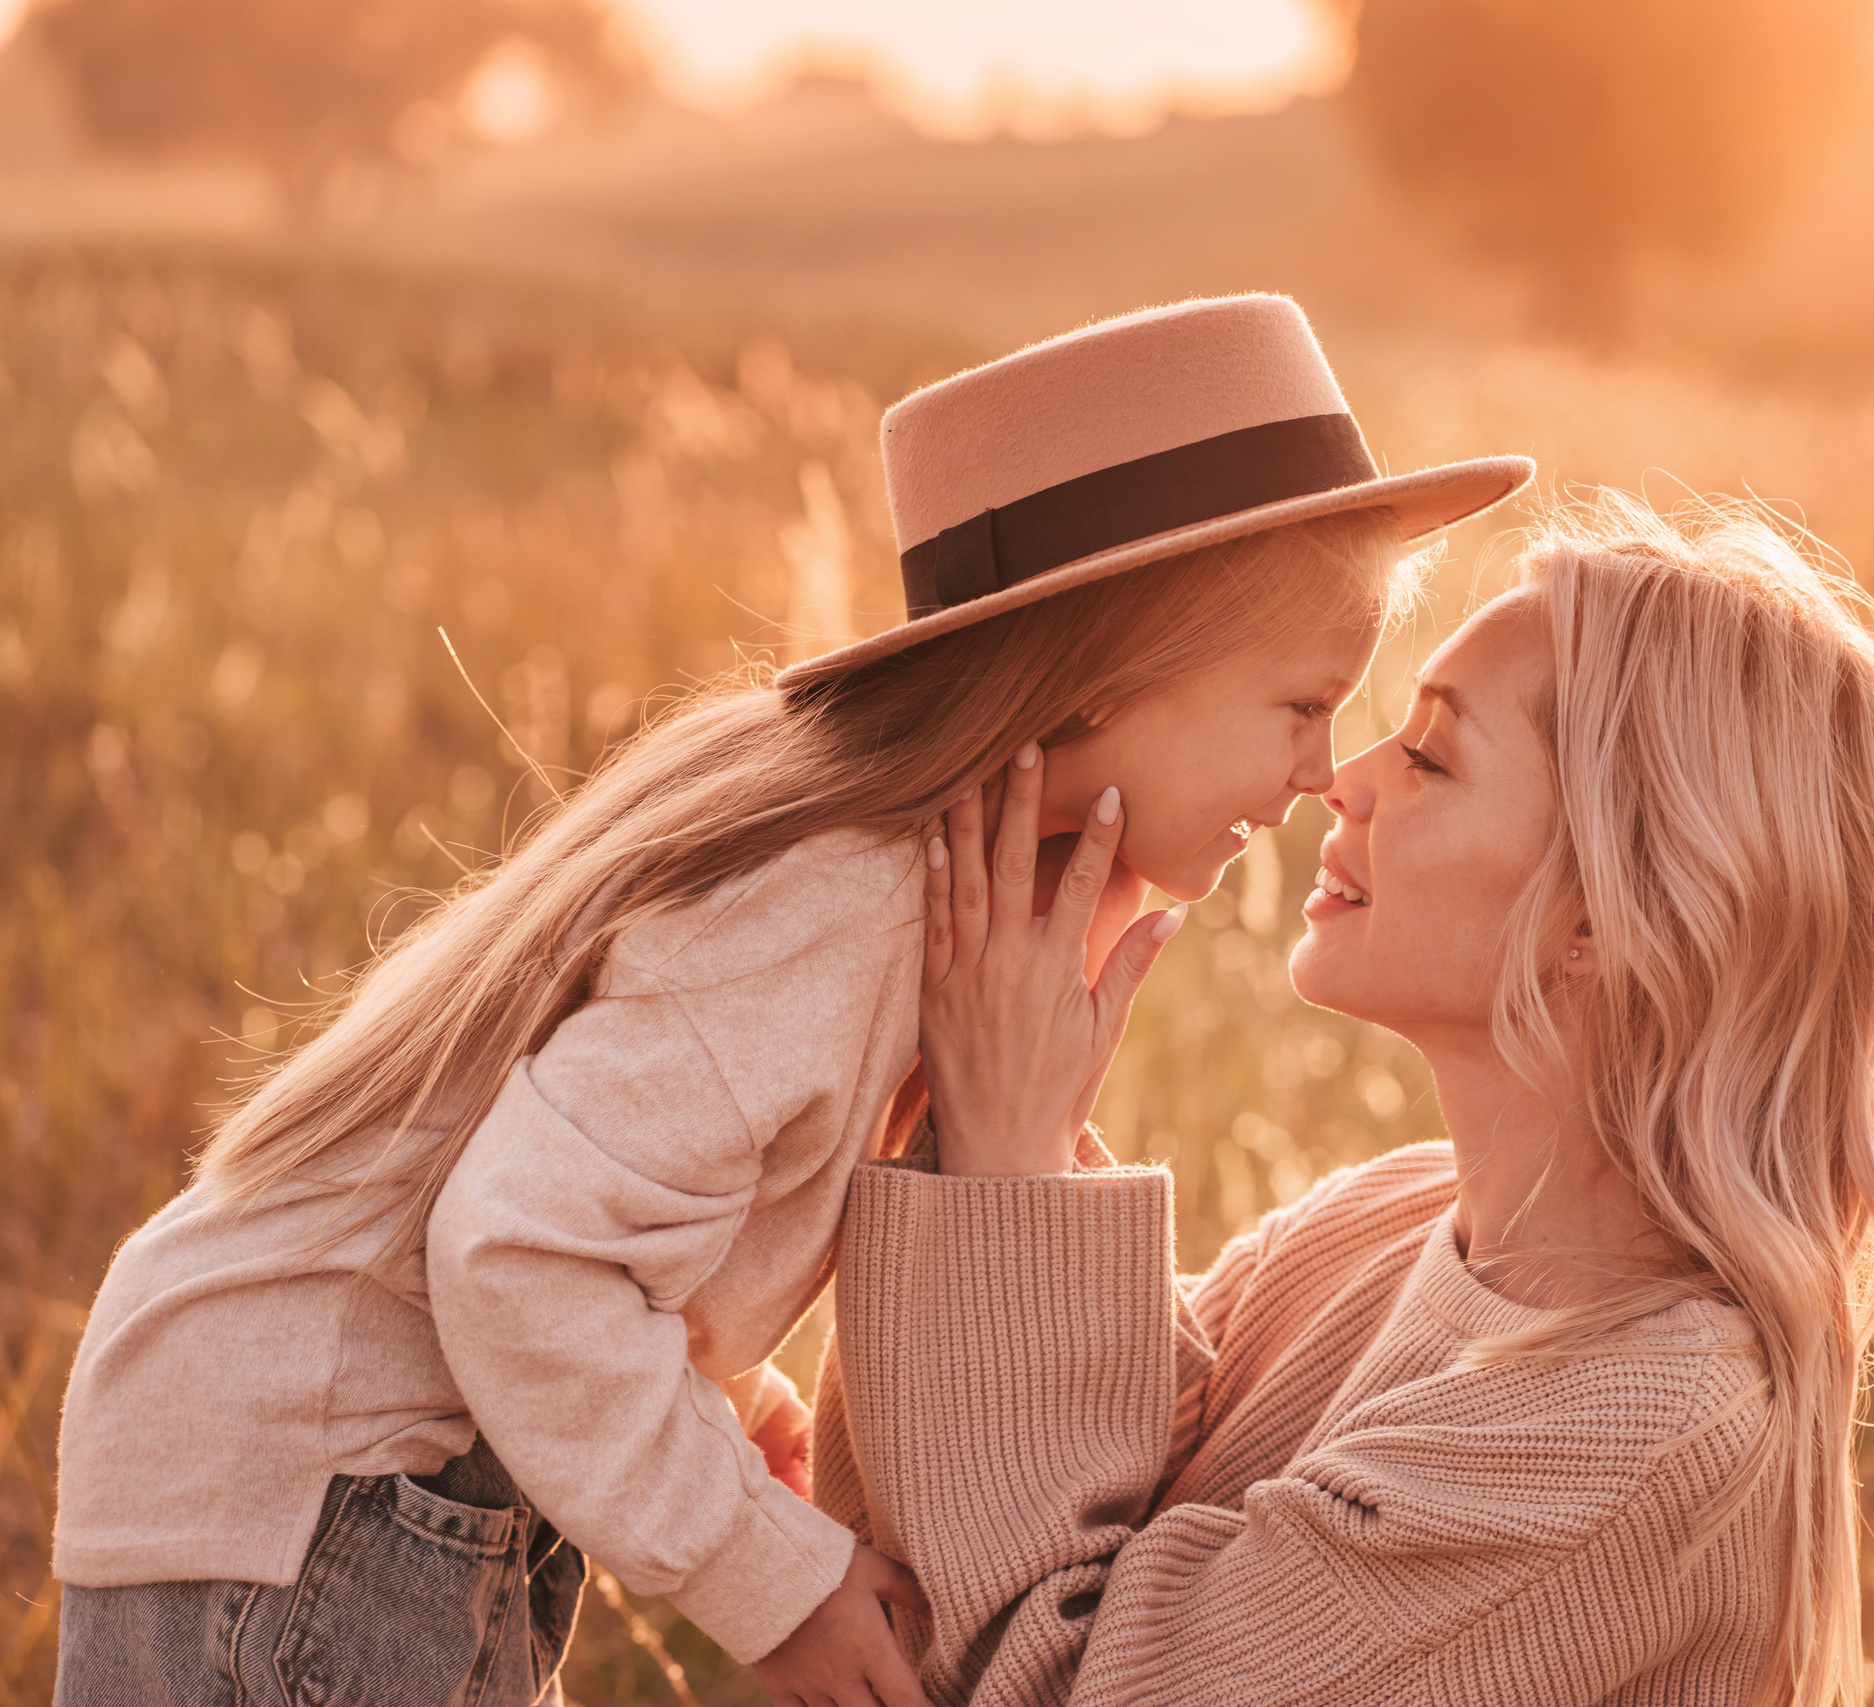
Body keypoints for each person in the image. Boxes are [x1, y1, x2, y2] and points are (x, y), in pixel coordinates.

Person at [50, 294, 1530, 1707]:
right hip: (322, 1486)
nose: (1320, 770)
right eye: (1301, 703)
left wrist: (736, 1411)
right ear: (1107, 672)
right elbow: (518, 1254)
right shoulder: (831, 905)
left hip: (334, 1471)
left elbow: (633, 1193)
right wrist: (773, 1577)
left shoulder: (885, 875)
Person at [811, 493, 1874, 1705]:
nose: (1340, 780)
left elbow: (1035, 1674)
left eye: (1430, 756)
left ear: (1605, 919)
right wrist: (982, 1115)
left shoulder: (1638, 1436)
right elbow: (912, 1557)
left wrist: (1006, 1165)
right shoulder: (1388, 1218)